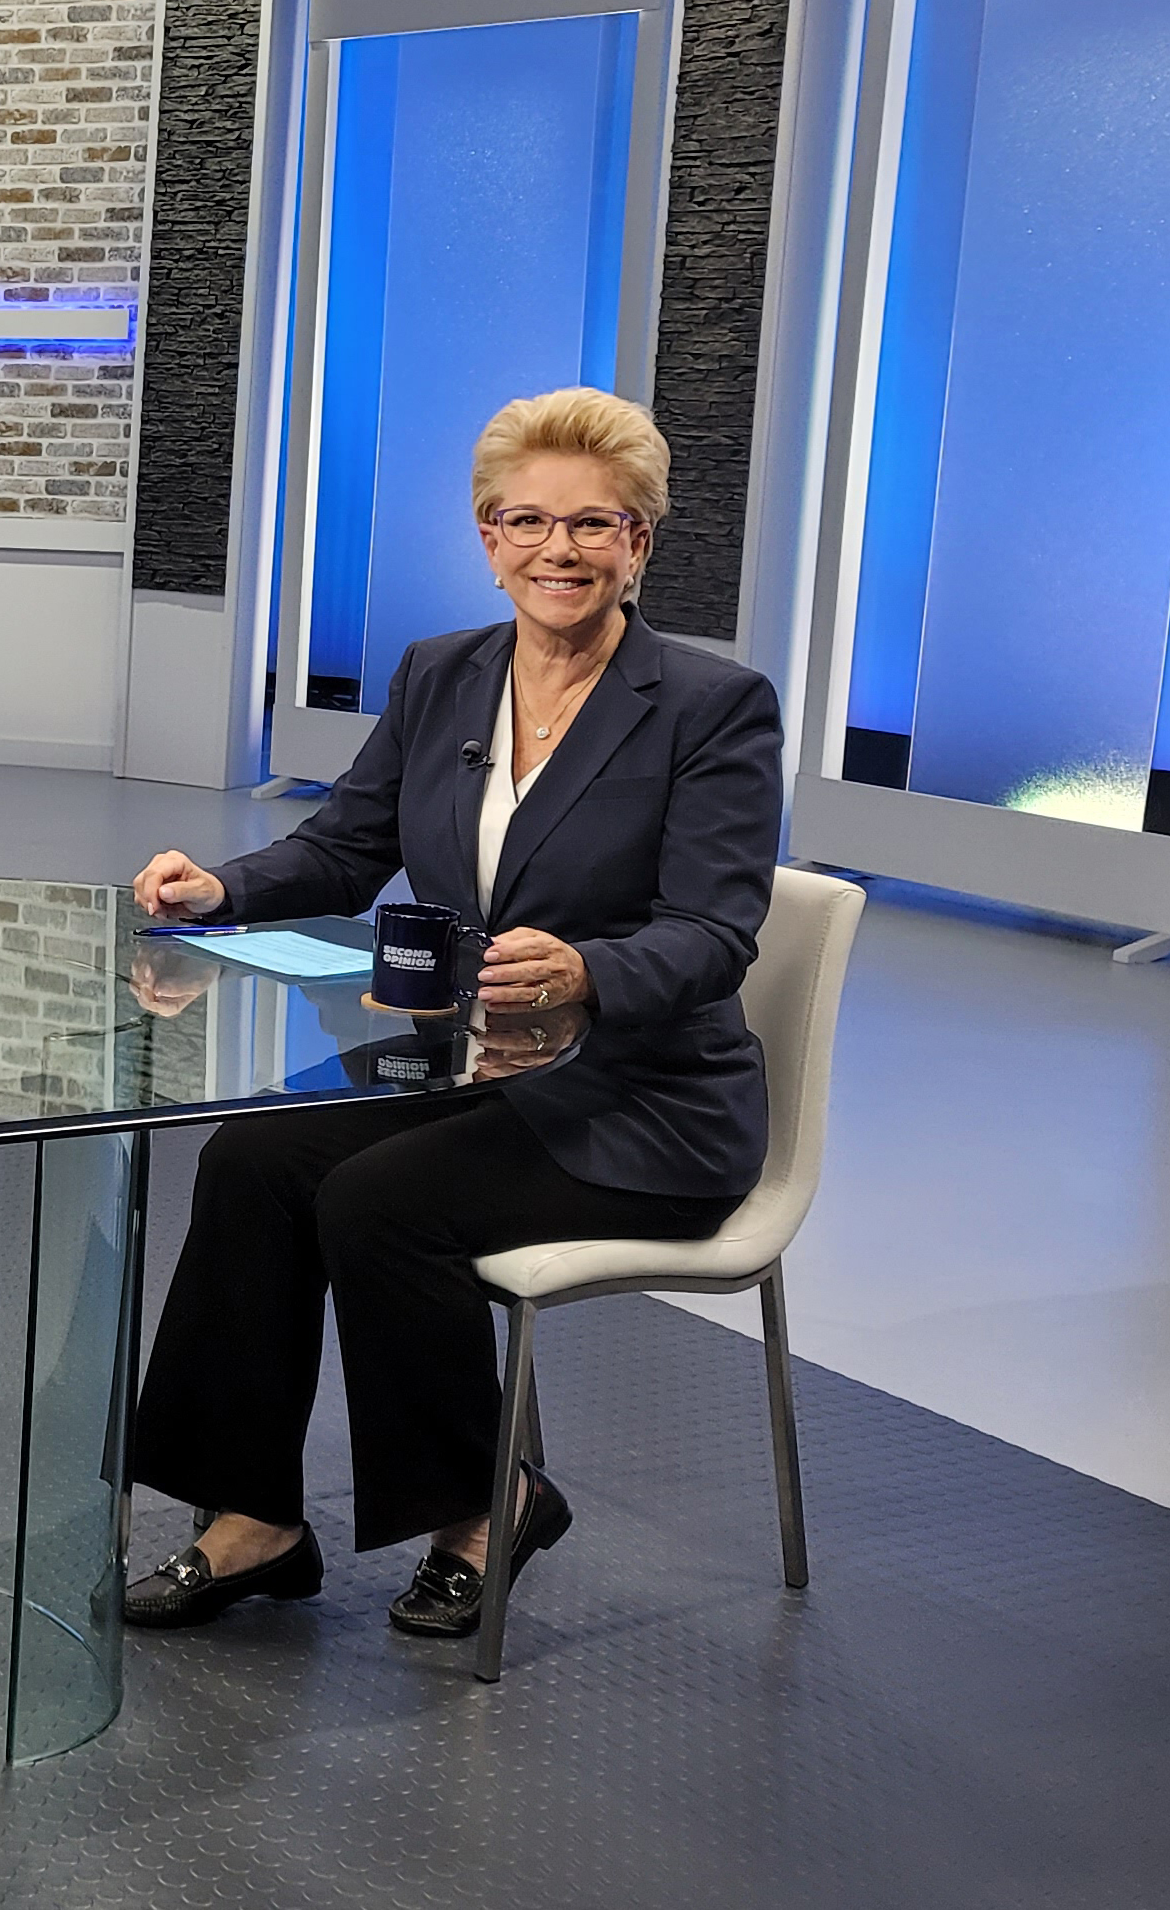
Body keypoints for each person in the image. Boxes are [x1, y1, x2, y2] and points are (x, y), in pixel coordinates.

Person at [118, 388, 782, 1641]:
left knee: (380, 1199)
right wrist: (221, 888)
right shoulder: (442, 674)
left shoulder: (708, 705)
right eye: (526, 521)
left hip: (642, 1103)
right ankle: (251, 1516)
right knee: (251, 1157)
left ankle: (486, 1505)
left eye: (594, 525)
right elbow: (347, 842)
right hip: (473, 1071)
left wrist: (587, 970)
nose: (558, 551)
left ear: (639, 542)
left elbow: (712, 934)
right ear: (487, 536)